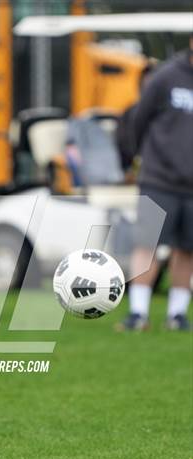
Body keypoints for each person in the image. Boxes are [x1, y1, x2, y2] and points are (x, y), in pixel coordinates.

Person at [118, 39, 193, 331]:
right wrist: (143, 158)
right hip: (159, 180)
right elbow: (139, 120)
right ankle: (138, 313)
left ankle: (177, 315)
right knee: (146, 245)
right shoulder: (166, 76)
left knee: (187, 250)